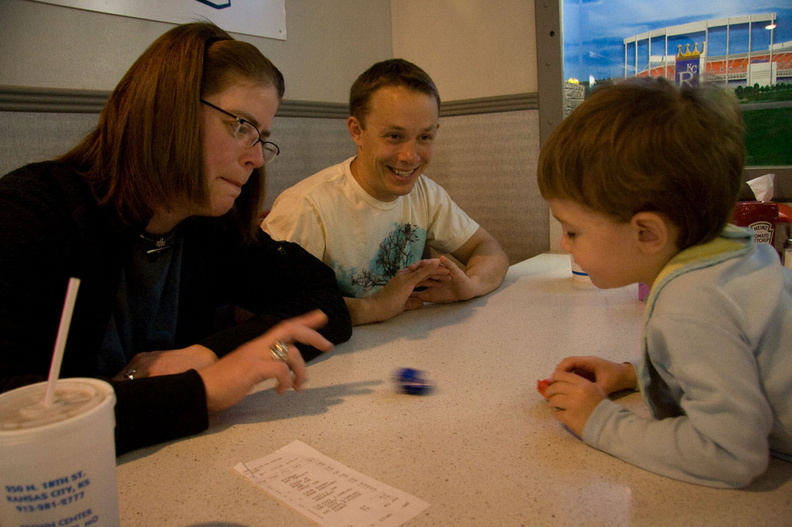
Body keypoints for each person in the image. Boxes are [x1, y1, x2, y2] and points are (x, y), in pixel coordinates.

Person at [0, 22, 352, 455]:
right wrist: (201, 390)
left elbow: (324, 301)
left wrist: (207, 353)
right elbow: (12, 408)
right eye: (242, 126)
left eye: (263, 138)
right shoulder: (32, 213)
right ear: (170, 109)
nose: (257, 158)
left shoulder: (204, 226)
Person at [536, 76, 792, 488]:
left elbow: (731, 454)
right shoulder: (735, 253)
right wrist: (635, 374)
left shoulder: (691, 306)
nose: (565, 245)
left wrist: (600, 421)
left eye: (573, 230)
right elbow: (738, 356)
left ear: (647, 234)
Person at [262, 59, 509, 325]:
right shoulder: (306, 205)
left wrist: (471, 284)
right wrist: (374, 307)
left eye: (424, 137)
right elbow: (264, 306)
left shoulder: (426, 193)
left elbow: (488, 250)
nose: (410, 156)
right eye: (394, 136)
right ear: (357, 131)